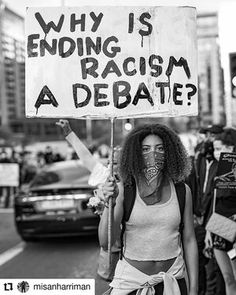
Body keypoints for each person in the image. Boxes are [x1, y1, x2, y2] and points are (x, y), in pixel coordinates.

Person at [99, 123, 198, 295]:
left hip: (172, 281)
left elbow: (189, 239)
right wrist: (110, 203)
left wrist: (194, 288)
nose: (153, 154)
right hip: (132, 284)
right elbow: (106, 242)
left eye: (160, 148)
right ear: (135, 154)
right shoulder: (124, 190)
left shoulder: (182, 191)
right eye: (145, 149)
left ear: (170, 153)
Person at [205, 127, 236, 295]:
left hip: (234, 225)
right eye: (216, 149)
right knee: (227, 277)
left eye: (221, 148)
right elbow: (215, 203)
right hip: (221, 226)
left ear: (231, 148)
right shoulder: (218, 171)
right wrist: (210, 230)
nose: (218, 153)